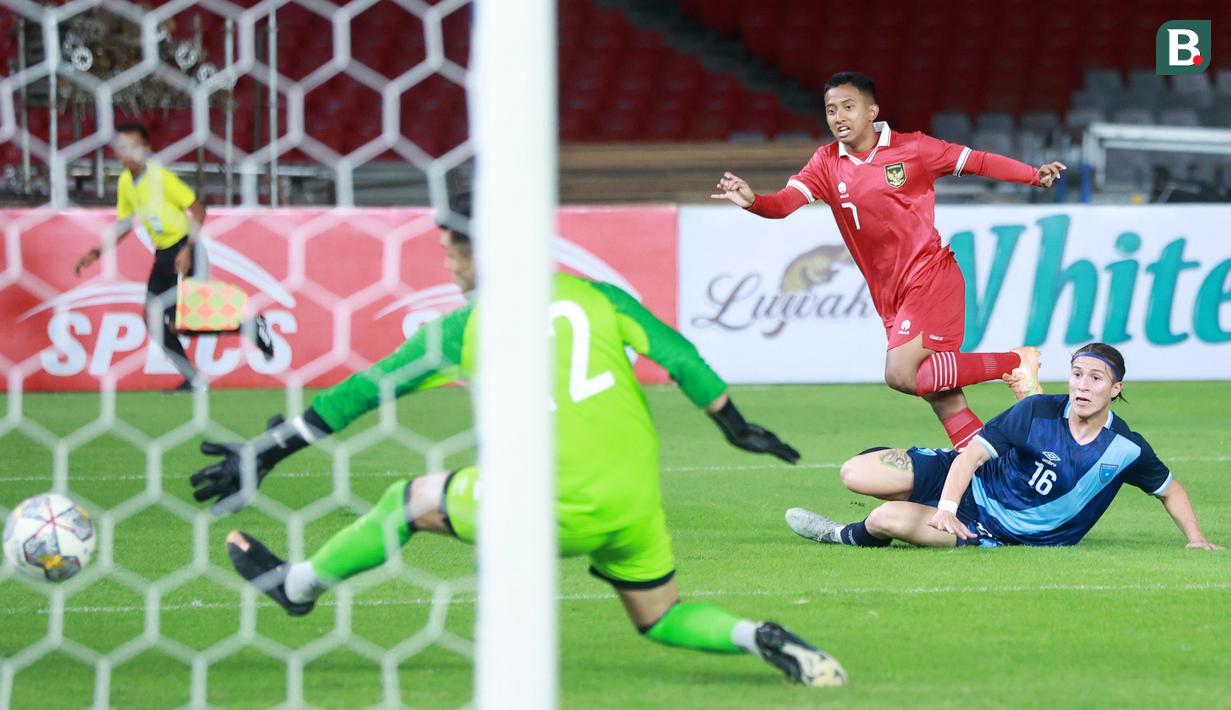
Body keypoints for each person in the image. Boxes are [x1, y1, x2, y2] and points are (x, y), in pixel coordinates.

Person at [188, 194, 847, 687]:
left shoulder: (462, 328)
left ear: (482, 251)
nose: (446, 261)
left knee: (409, 497)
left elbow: (358, 395)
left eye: (451, 248)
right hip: (633, 500)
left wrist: (266, 452)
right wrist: (732, 424)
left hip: (549, 500)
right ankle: (760, 637)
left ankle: (297, 587)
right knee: (658, 615)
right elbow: (680, 357)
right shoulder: (595, 296)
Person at [712, 71, 1067, 451]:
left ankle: (1012, 363)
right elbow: (784, 204)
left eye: (848, 107)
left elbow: (976, 161)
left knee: (901, 373)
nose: (838, 117)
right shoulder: (826, 162)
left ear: (872, 110)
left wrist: (1033, 175)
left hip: (931, 279)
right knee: (944, 398)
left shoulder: (914, 149)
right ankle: (986, 476)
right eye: (831, 110)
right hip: (891, 298)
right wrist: (753, 201)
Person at [784, 343, 1223, 551]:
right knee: (854, 473)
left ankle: (841, 534)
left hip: (995, 529)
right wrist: (948, 508)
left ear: (1116, 388)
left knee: (883, 517)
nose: (1082, 386)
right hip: (967, 482)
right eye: (1076, 375)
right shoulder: (1035, 411)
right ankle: (919, 494)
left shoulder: (1125, 449)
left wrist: (1196, 539)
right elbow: (972, 456)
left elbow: (1170, 488)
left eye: (1095, 379)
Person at [74, 122, 273, 391]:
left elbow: (199, 210)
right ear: (117, 153)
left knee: (187, 320)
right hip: (164, 255)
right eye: (123, 148)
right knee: (154, 319)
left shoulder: (161, 178)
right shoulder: (125, 182)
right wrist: (97, 252)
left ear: (147, 149)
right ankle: (196, 379)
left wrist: (188, 249)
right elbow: (124, 224)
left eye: (134, 147)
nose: (128, 152)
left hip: (186, 248)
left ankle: (250, 324)